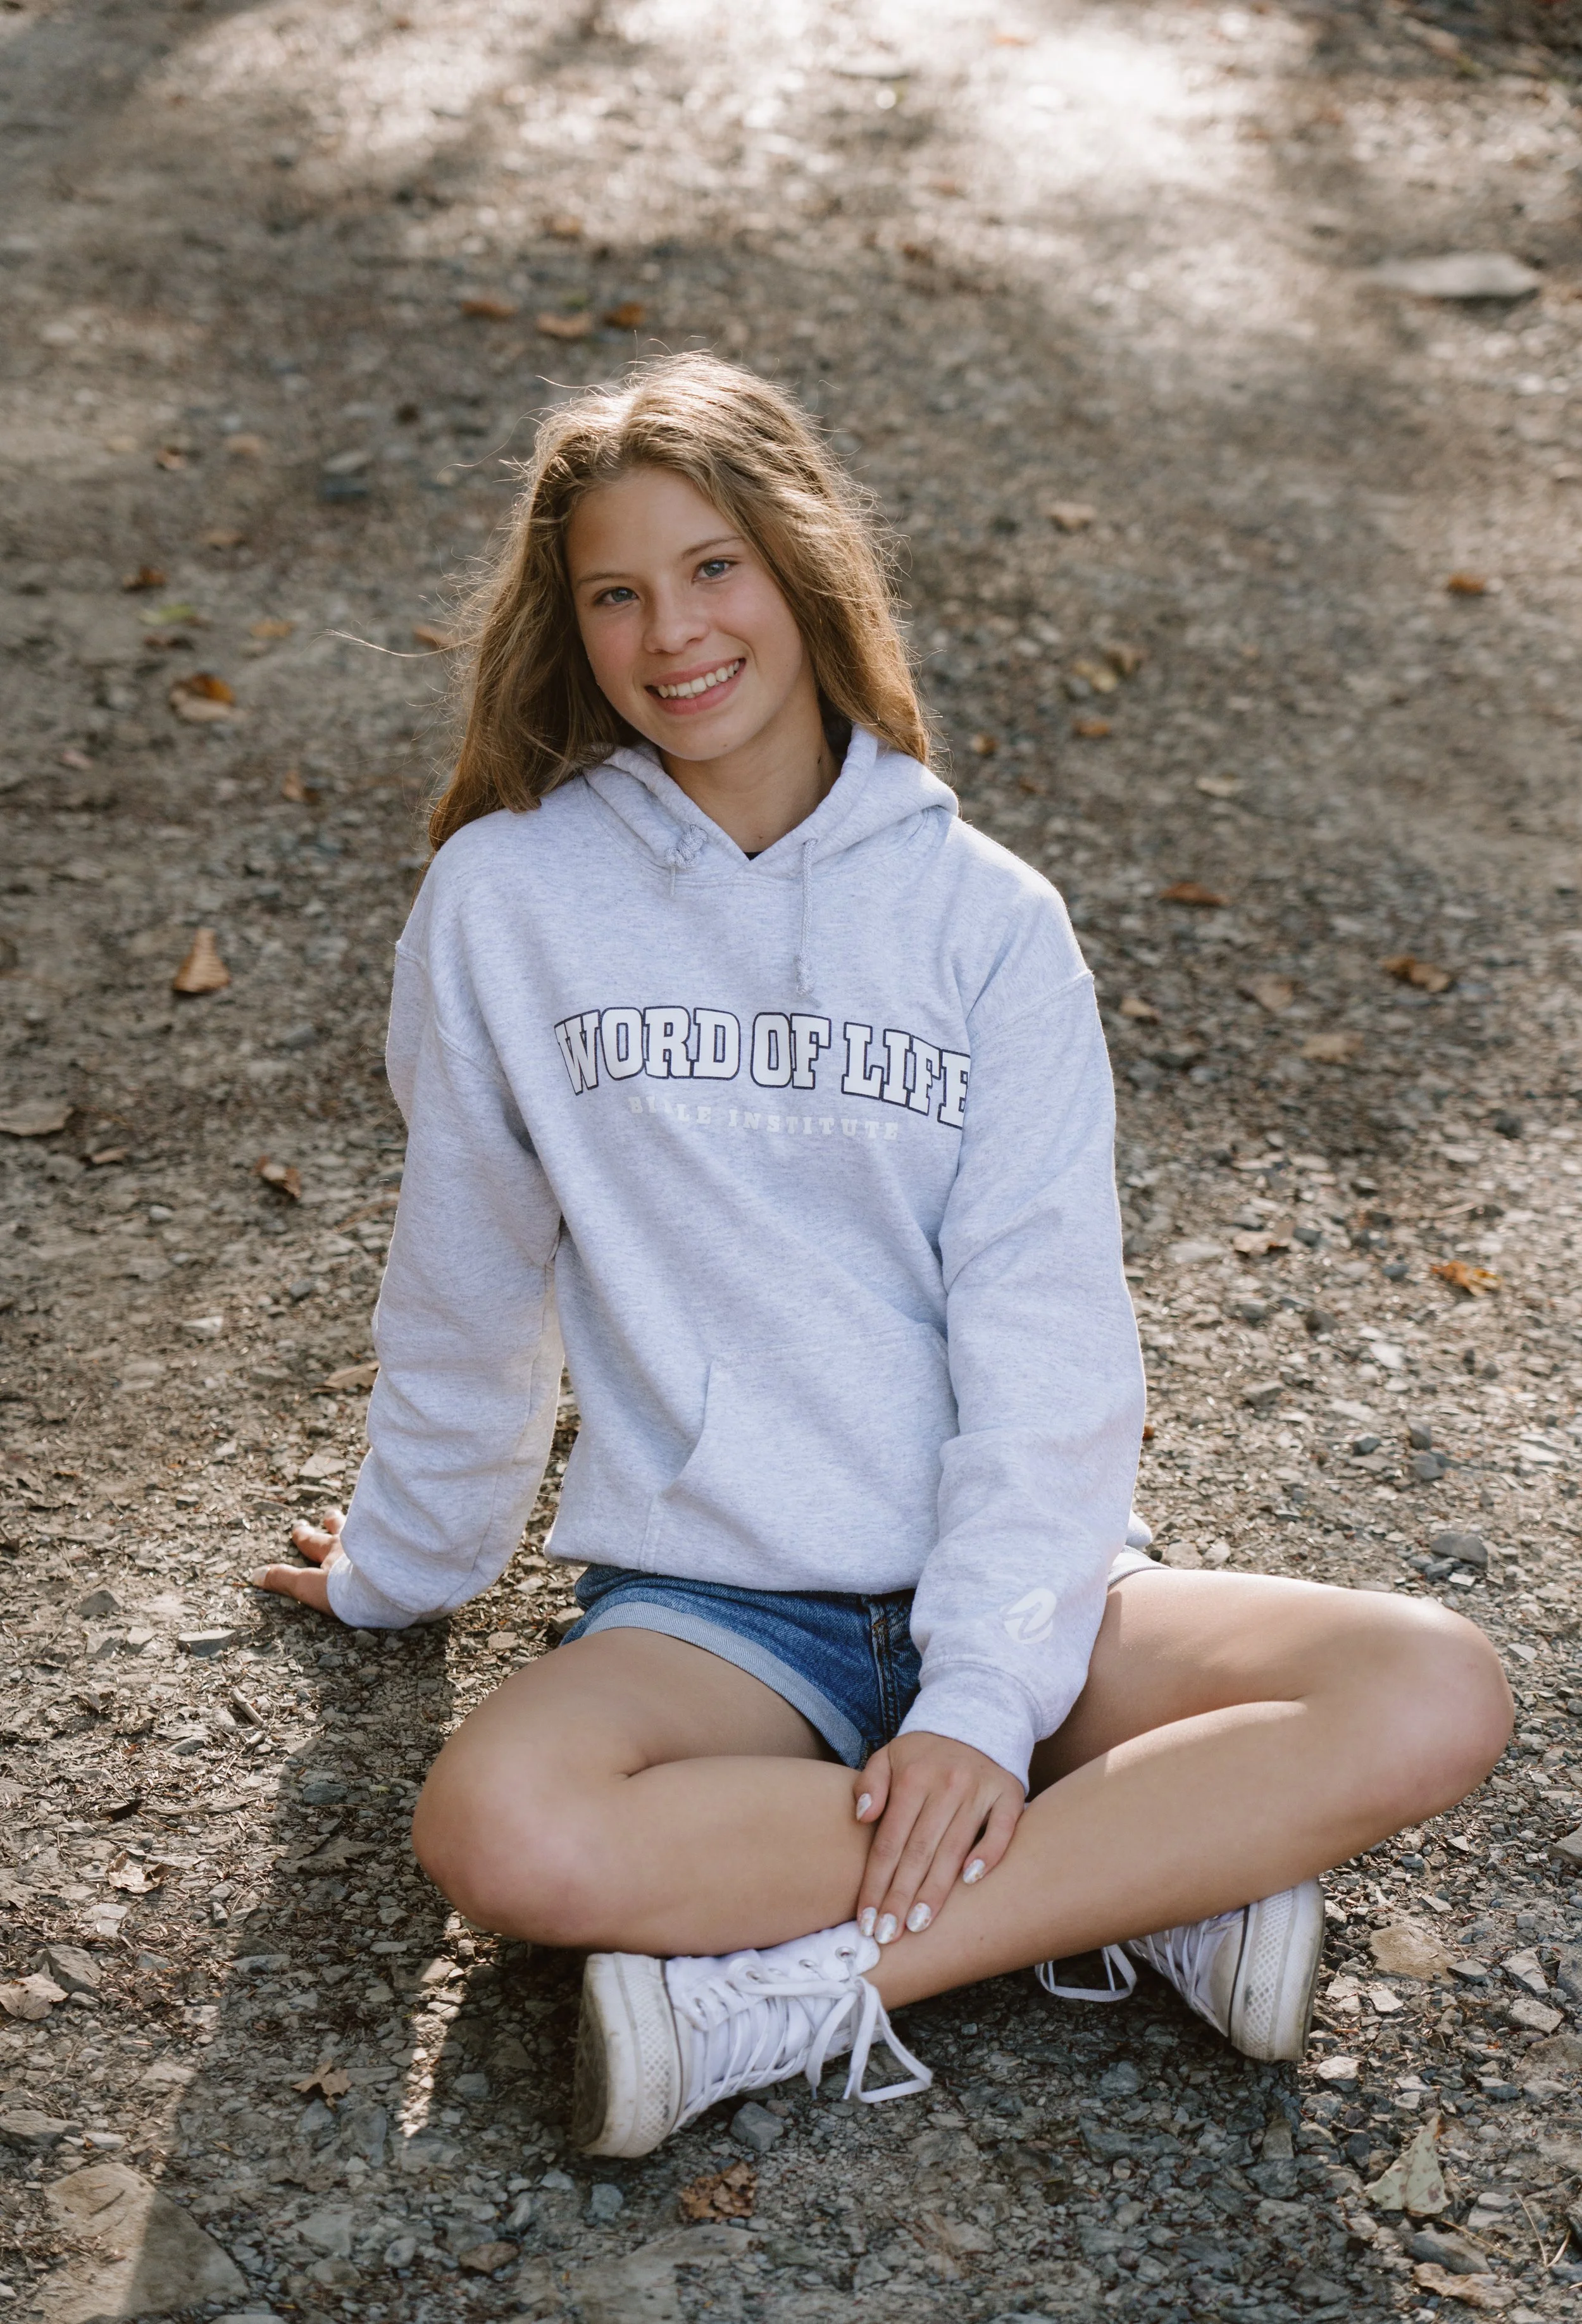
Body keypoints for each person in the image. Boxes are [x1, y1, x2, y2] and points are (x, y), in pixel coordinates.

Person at [252, 353, 1512, 2162]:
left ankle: (787, 1990)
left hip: (1020, 1591)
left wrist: (990, 1702)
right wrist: (401, 1559)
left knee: (1429, 1686)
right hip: (718, 1625)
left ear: (802, 572)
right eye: (614, 592)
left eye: (713, 569)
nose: (670, 633)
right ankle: (1152, 1875)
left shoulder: (981, 921)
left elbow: (1047, 1331)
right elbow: (465, 1276)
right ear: (569, 625)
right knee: (502, 1835)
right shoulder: (506, 902)